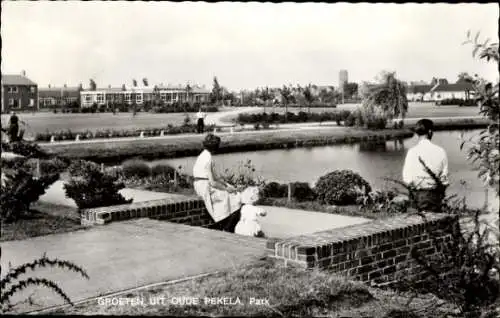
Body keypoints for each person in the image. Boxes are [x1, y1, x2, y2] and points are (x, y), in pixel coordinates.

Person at [193, 133, 242, 232]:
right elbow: (213, 183)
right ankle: (225, 225)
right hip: (204, 187)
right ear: (215, 147)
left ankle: (224, 224)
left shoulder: (204, 155)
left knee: (231, 194)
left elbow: (215, 178)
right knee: (232, 197)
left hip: (201, 184)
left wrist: (226, 184)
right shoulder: (208, 159)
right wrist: (227, 189)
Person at [402, 119, 449, 212]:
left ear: (417, 133)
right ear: (430, 132)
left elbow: (407, 179)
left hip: (416, 197)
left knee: (415, 224)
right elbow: (444, 180)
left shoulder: (412, 152)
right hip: (434, 197)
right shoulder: (440, 151)